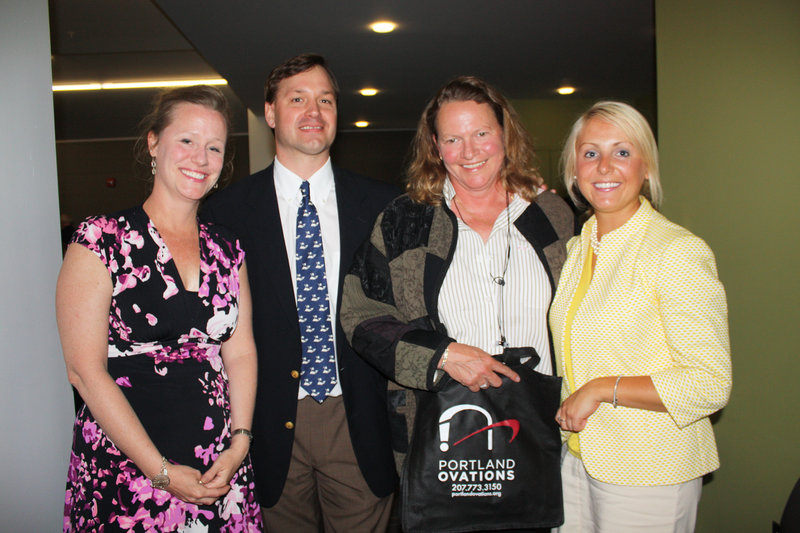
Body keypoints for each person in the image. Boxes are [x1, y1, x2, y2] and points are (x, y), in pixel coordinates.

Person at [340, 76, 575, 528]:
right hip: (445, 437)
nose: (470, 152)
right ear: (435, 146)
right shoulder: (404, 220)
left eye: (482, 133)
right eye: (453, 138)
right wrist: (442, 355)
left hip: (541, 432)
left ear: (505, 133)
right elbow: (360, 316)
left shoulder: (553, 215)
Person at [203, 54, 398, 532]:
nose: (314, 111)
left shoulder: (385, 206)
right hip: (266, 422)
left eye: (326, 100)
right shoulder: (223, 213)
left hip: (359, 416)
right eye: (298, 99)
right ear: (270, 113)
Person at [57, 85, 262, 531]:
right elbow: (84, 374)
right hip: (128, 469)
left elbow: (240, 350)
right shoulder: (100, 240)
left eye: (214, 147)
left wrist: (240, 443)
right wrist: (161, 473)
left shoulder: (228, 249)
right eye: (186, 140)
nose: (200, 158)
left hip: (218, 470)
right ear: (154, 142)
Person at [549, 101, 732, 532]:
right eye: (591, 153)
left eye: (623, 152)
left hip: (651, 469)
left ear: (646, 166)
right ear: (574, 171)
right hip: (575, 459)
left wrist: (600, 389)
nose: (605, 166)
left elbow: (710, 382)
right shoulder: (579, 248)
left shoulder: (676, 251)